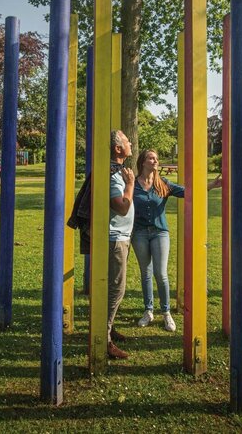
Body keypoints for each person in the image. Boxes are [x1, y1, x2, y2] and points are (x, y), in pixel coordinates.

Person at [131, 149, 221, 332]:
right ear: (142, 162)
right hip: (139, 233)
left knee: (161, 273)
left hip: (159, 233)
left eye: (156, 158)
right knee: (145, 273)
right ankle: (148, 311)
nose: (155, 161)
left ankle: (166, 313)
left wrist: (211, 185)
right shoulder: (133, 184)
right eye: (151, 158)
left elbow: (188, 192)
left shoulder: (162, 183)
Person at [107, 130, 135, 360]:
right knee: (116, 289)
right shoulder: (113, 174)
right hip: (114, 239)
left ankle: (109, 328)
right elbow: (122, 206)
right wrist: (131, 184)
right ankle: (103, 338)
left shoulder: (118, 172)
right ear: (118, 149)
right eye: (127, 141)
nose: (131, 142)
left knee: (117, 288)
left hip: (121, 237)